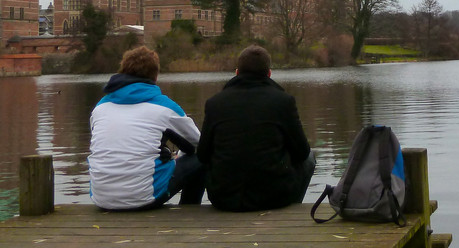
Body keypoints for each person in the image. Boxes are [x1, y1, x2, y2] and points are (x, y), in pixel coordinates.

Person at [197, 44, 316, 211]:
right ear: (269, 74)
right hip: (274, 198)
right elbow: (302, 152)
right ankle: (293, 208)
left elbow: (202, 155)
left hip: (224, 199)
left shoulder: (214, 103)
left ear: (237, 73)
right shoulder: (283, 101)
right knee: (310, 158)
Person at [88, 46, 205, 210]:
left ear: (123, 71)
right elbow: (198, 142)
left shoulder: (100, 107)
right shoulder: (165, 107)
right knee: (202, 157)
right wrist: (174, 155)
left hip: (101, 197)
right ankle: (189, 209)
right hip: (143, 198)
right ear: (155, 76)